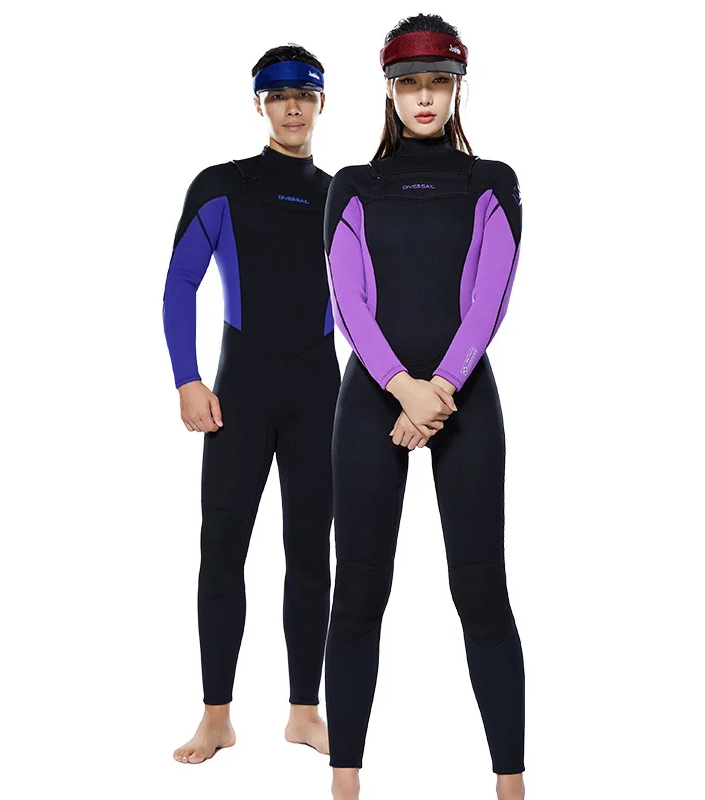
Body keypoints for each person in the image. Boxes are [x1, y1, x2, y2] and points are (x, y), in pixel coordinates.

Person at [323, 14, 525, 800]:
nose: (425, 97)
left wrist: (435, 389)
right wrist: (401, 387)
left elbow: (490, 299)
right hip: (374, 399)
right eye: (410, 83)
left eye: (439, 81)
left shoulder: (492, 182)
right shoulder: (353, 185)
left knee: (481, 590)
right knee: (358, 592)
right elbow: (349, 300)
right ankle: (345, 784)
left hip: (464, 397)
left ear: (458, 85)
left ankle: (510, 785)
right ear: (390, 90)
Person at [161, 44, 340, 765]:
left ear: (321, 103)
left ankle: (303, 712)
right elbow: (180, 283)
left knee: (311, 553)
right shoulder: (222, 185)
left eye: (305, 95)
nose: (293, 107)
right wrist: (187, 379)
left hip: (320, 393)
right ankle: (216, 718)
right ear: (260, 104)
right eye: (278, 95)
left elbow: (372, 296)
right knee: (222, 548)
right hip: (239, 392)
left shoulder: (342, 194)